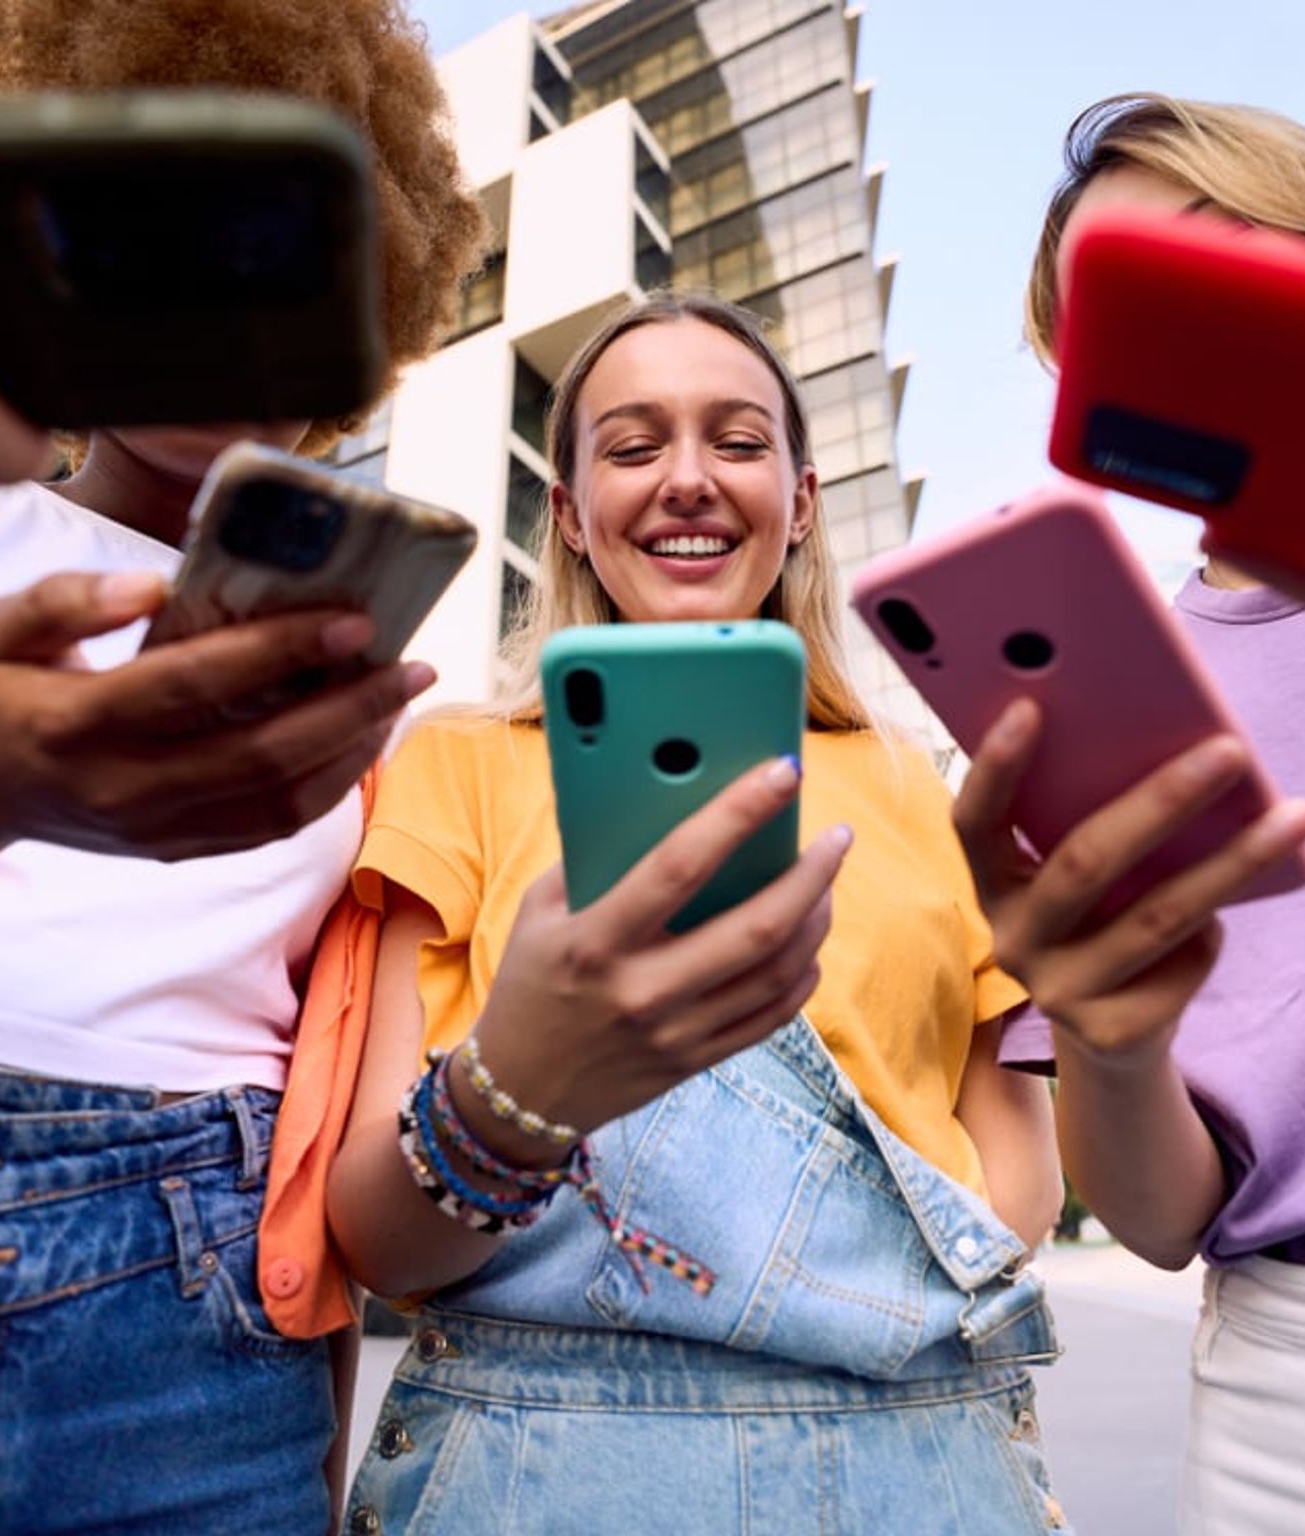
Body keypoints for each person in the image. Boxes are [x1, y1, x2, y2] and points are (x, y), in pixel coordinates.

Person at [328, 290, 1072, 1535]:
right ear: (570, 513)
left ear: (801, 502)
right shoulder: (453, 764)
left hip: (921, 1461)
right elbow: (377, 1239)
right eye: (632, 447)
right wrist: (523, 1089)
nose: (687, 479)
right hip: (538, 1471)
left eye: (737, 441)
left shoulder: (926, 789)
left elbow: (1015, 1191)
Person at [0, 2, 485, 1532]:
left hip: (192, 1345)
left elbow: (315, 1131)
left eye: (283, 267)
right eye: (151, 250)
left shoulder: (371, 688)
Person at [958, 92, 1305, 1536]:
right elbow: (1163, 1218)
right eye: (1114, 309)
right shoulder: (1109, 699)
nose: (1174, 321)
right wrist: (1112, 1038)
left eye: (1208, 248)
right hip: (1299, 1403)